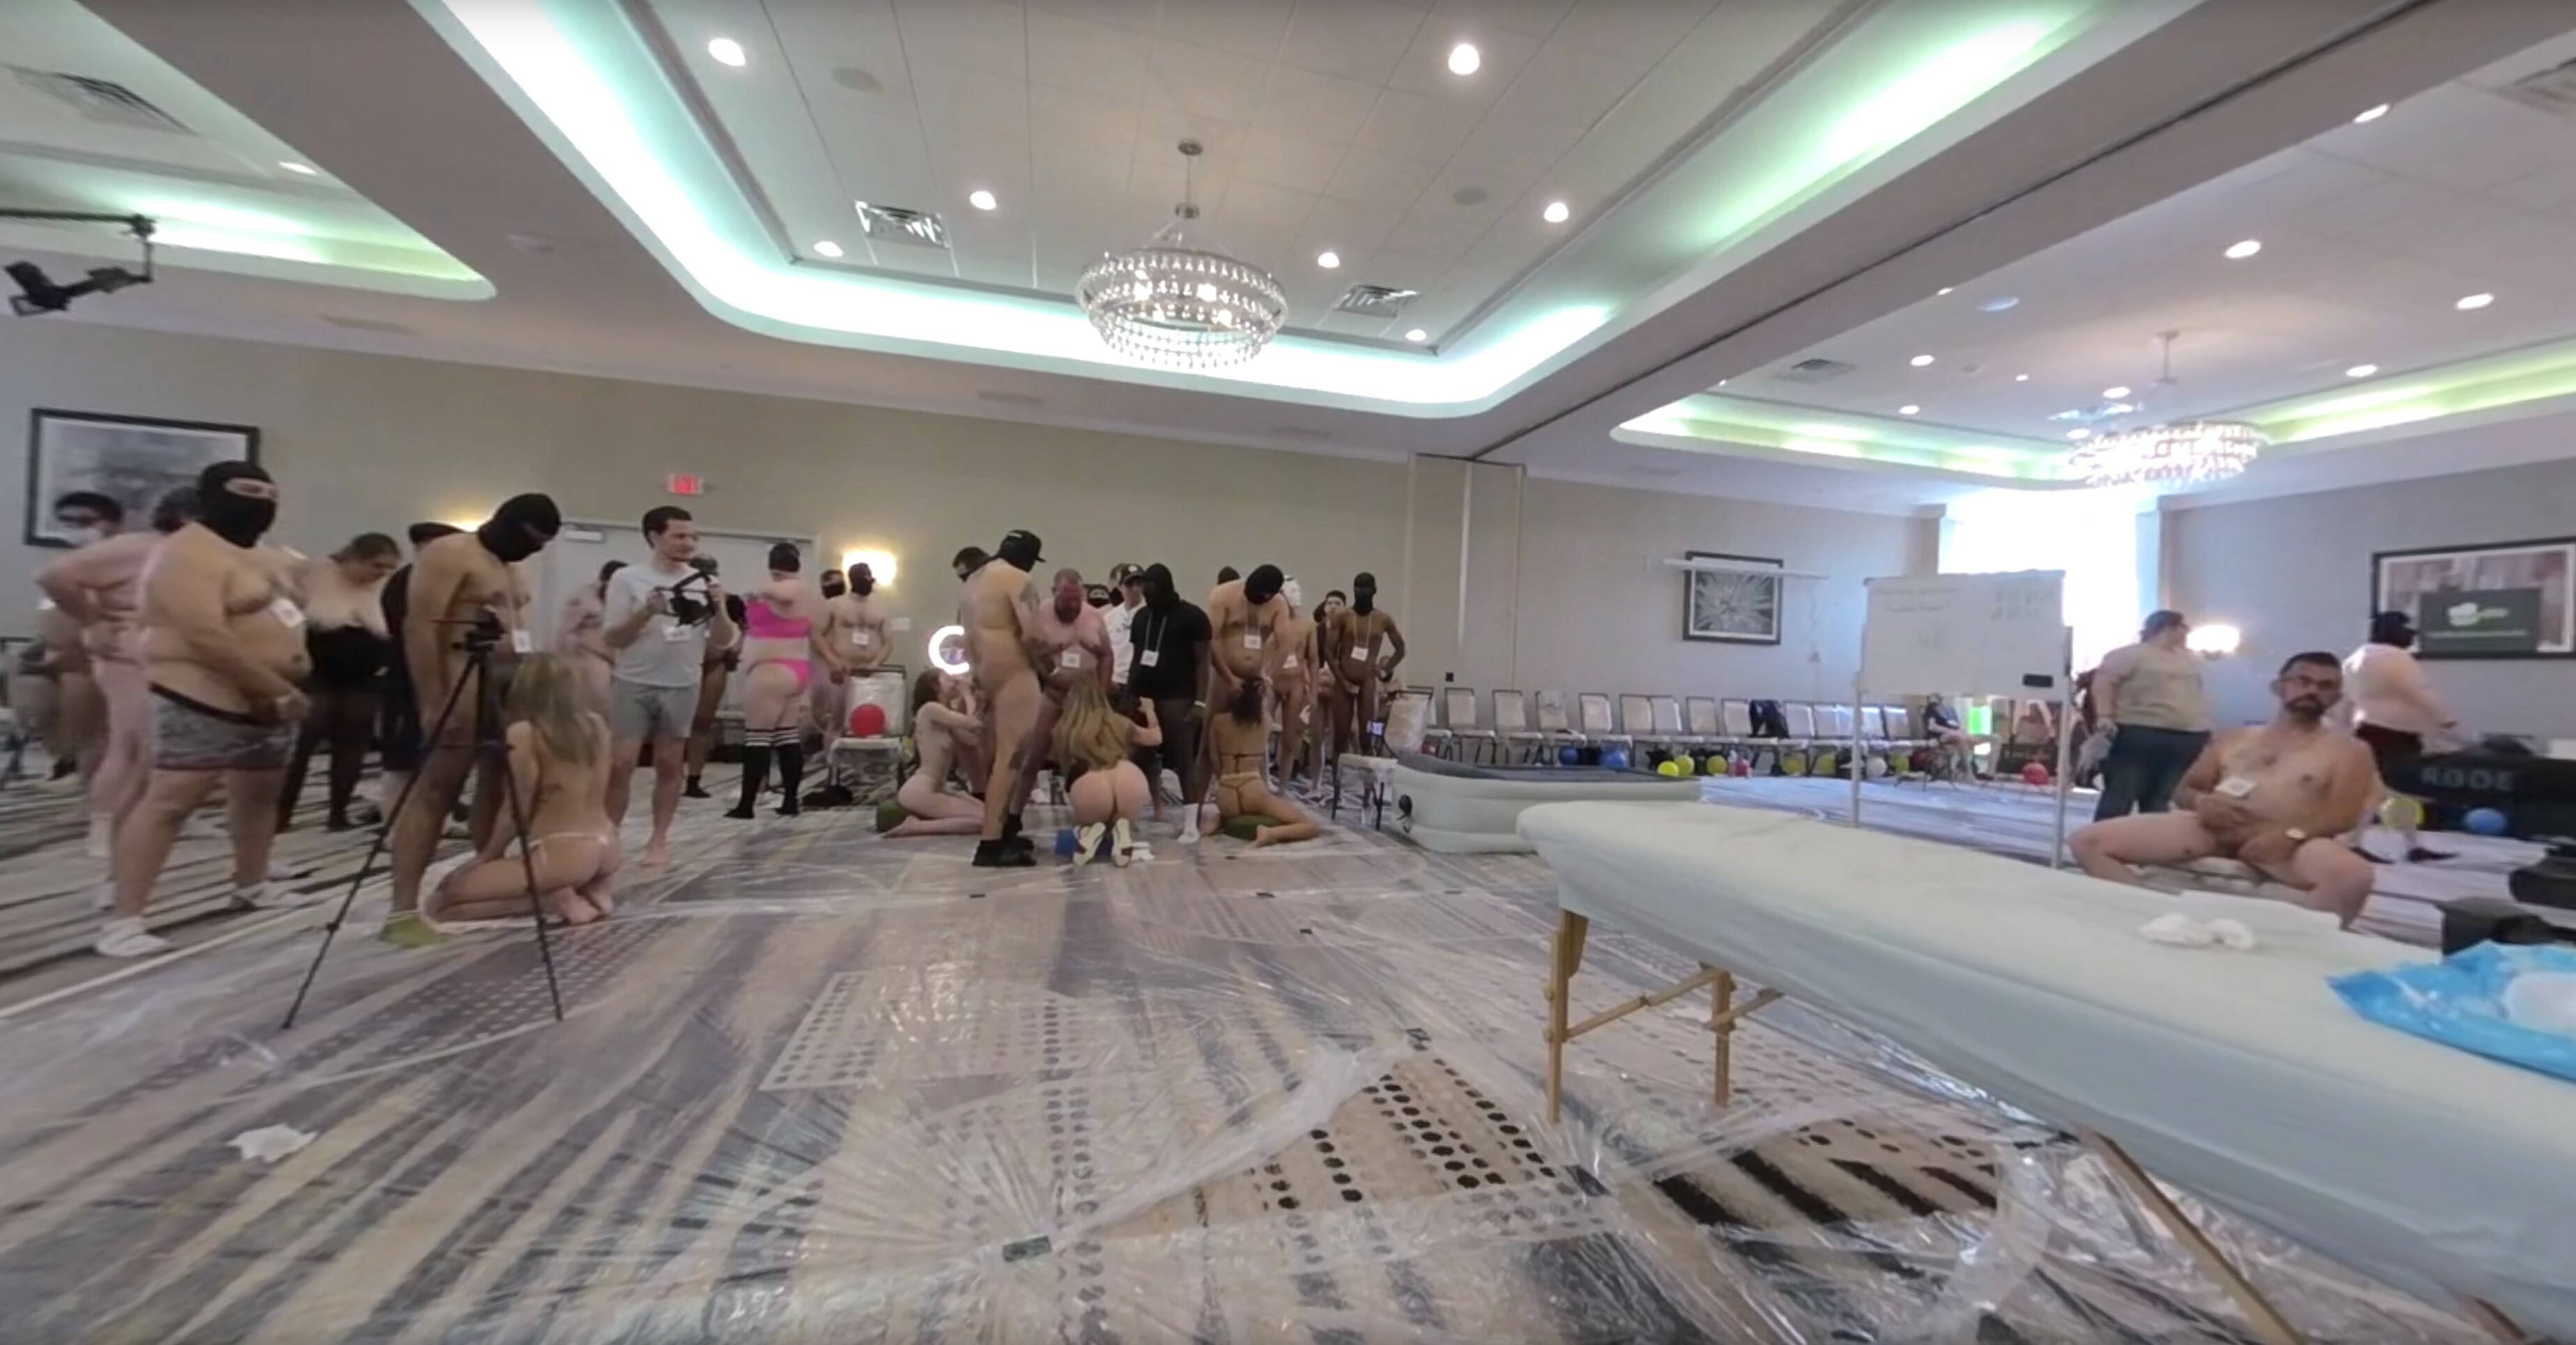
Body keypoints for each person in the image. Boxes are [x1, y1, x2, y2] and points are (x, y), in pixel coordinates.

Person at [97, 464, 308, 958]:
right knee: (170, 803)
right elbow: (204, 635)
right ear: (212, 495)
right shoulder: (185, 552)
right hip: (202, 692)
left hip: (269, 700)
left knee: (259, 798)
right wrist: (274, 686)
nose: (261, 501)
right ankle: (124, 920)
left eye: (270, 493)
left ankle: (252, 884)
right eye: (248, 491)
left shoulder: (266, 555)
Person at [2069, 652, 2379, 928]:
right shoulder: (2236, 737)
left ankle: (2298, 944)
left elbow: (2342, 815)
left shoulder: (2349, 751)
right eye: (2303, 681)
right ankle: (2153, 914)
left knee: (2353, 877)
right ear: (2279, 686)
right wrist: (2202, 804)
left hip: (2289, 840)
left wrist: (2290, 837)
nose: (2312, 691)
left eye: (2325, 686)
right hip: (2211, 827)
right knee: (2088, 842)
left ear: (2336, 697)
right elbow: (2185, 790)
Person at [382, 499, 560, 947]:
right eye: (531, 540)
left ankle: (482, 884)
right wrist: (433, 701)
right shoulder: (449, 553)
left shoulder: (511, 566)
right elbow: (420, 627)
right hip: (460, 678)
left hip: (508, 683)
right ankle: (402, 911)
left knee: (499, 786)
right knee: (436, 792)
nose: (533, 550)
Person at [36, 490, 187, 857]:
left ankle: (155, 818)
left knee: (162, 748)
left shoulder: (198, 554)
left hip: (176, 657)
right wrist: (93, 621)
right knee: (129, 743)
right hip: (127, 655)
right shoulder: (134, 548)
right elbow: (52, 576)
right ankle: (104, 826)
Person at [419, 653, 620, 928]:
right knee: (488, 884)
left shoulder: (525, 733)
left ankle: (553, 900)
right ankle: (588, 890)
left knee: (443, 902)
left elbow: (517, 810)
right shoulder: (595, 725)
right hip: (607, 844)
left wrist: (486, 856)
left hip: (563, 851)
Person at [601, 507, 732, 866]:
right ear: (655, 537)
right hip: (634, 679)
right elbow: (612, 637)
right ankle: (609, 835)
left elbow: (723, 640)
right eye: (679, 536)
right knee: (621, 764)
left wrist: (720, 608)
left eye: (693, 537)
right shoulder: (628, 578)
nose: (688, 543)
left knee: (670, 763)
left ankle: (659, 839)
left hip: (682, 682)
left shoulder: (703, 582)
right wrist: (646, 612)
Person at [277, 532, 401, 832]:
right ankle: (281, 814)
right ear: (355, 558)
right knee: (301, 746)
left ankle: (338, 813)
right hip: (317, 674)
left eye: (388, 568)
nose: (381, 573)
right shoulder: (314, 577)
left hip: (363, 678)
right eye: (376, 565)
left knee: (353, 745)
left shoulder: (379, 590)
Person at [2343, 610, 2458, 863]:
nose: (2411, 637)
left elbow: (2347, 701)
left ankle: (2413, 846)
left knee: (2402, 792)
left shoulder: (2354, 659)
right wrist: (2445, 718)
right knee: (2376, 791)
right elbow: (2418, 691)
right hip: (2390, 735)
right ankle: (2352, 843)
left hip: (2369, 730)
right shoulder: (2395, 657)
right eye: (2408, 631)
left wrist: (2344, 730)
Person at [961, 530, 1047, 866]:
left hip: (987, 671)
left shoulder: (975, 579)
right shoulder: (1018, 579)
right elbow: (1033, 634)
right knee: (1011, 758)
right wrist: (1049, 668)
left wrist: (977, 676)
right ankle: (991, 843)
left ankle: (1002, 830)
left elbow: (967, 633)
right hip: (1014, 672)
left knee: (1000, 756)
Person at [730, 543, 830, 818]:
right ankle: (790, 801)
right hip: (794, 669)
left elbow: (783, 594)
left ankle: (746, 804)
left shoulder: (790, 589)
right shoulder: (811, 595)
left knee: (757, 738)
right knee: (787, 735)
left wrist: (759, 591)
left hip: (771, 671)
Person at [375, 522, 465, 825]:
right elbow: (415, 633)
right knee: (402, 754)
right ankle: (395, 821)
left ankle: (435, 816)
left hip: (444, 675)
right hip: (407, 676)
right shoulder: (407, 582)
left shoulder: (442, 580)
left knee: (438, 750)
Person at [37, 492, 128, 790]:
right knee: (31, 686)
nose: (75, 529)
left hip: (108, 654)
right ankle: (63, 756)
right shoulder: (63, 567)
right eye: (66, 522)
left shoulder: (124, 563)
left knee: (77, 674)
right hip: (61, 652)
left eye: (85, 521)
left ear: (113, 524)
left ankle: (76, 760)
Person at [1010, 567, 1114, 816]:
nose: (1073, 606)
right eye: (1067, 600)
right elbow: (1029, 653)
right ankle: (1014, 815)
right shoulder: (1039, 616)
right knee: (1032, 758)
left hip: (1086, 700)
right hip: (1051, 694)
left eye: (1077, 600)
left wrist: (1101, 692)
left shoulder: (1093, 617)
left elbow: (1107, 655)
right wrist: (1050, 666)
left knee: (1089, 762)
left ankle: (1095, 815)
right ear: (1054, 592)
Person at [2086, 610, 2210, 820]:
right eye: (2184, 627)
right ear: (2169, 628)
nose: (2186, 632)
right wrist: (2104, 715)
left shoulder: (2189, 658)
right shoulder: (2129, 655)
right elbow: (2103, 683)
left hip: (2187, 735)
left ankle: (2150, 836)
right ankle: (2104, 834)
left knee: (2160, 797)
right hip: (2141, 730)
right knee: (2123, 791)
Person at [1127, 562, 1214, 844]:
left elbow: (1203, 663)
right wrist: (1129, 694)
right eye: (1145, 588)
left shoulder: (1193, 617)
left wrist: (1200, 702)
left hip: (1179, 696)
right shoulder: (1141, 617)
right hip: (1145, 696)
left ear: (1166, 587)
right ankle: (1127, 818)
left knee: (1184, 760)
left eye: (1152, 588)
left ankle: (1191, 825)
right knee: (1137, 758)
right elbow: (1137, 658)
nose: (1147, 593)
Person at [1054, 677, 1163, 866]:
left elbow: (1065, 769)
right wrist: (1150, 712)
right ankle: (1121, 829)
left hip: (1091, 784)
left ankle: (1088, 833)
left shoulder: (1064, 729)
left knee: (1083, 823)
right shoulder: (1118, 722)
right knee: (1124, 817)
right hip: (1129, 778)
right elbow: (1155, 738)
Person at [1210, 675, 1321, 847]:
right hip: (1252, 790)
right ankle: (1271, 833)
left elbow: (1215, 762)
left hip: (1225, 796)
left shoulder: (1218, 722)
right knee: (1311, 826)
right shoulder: (1265, 722)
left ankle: (1222, 819)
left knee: (1239, 808)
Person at [884, 670, 987, 837]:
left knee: (993, 816)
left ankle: (923, 821)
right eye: (948, 679)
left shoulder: (944, 715)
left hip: (938, 787)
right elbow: (974, 723)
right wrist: (967, 694)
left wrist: (974, 700)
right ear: (935, 686)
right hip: (921, 790)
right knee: (986, 822)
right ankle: (916, 827)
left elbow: (972, 739)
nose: (955, 681)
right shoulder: (931, 709)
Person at [1323, 571, 1406, 760]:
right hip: (1344, 678)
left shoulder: (1383, 619)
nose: (1361, 593)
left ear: (1374, 591)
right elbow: (1328, 651)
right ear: (1354, 590)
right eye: (1358, 589)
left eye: (1366, 589)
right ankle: (1337, 777)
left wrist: (1384, 670)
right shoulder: (1343, 616)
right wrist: (1342, 681)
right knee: (1341, 737)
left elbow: (1401, 649)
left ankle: (1367, 775)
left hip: (1368, 680)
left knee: (1367, 735)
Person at [682, 558, 744, 801]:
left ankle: (694, 779)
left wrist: (736, 648)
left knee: (703, 721)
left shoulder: (730, 601)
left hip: (715, 663)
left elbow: (745, 628)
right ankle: (674, 773)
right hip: (686, 662)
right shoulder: (683, 600)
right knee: (676, 724)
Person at [556, 560, 624, 715]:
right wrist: (562, 662)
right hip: (590, 655)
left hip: (618, 659)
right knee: (600, 703)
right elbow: (565, 631)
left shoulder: (625, 598)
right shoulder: (583, 600)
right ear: (605, 580)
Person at [1105, 563, 1144, 693]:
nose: (1135, 589)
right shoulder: (1110, 617)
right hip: (1114, 681)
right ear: (1120, 587)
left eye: (1139, 584)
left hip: (1139, 683)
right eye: (1129, 584)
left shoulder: (1150, 615)